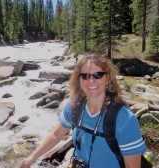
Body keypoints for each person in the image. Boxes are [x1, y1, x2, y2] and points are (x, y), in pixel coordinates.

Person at [19, 54, 147, 168]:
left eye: (98, 75)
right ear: (79, 80)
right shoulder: (74, 106)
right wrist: (31, 158)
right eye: (84, 76)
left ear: (108, 78)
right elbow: (56, 135)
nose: (91, 81)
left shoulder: (124, 119)